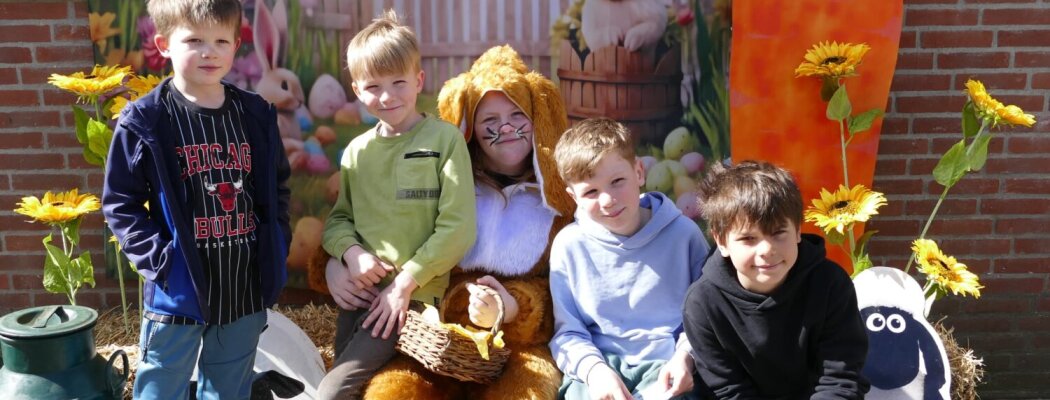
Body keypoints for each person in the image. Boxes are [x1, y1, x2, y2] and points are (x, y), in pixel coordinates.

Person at [319, 44, 577, 400]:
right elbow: (377, 224)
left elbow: (566, 297)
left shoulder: (561, 203)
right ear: (471, 125)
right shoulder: (450, 178)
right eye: (489, 120)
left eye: (517, 115)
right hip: (435, 339)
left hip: (517, 349)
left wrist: (514, 307)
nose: (504, 127)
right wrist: (336, 263)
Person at [102, 0, 291, 399]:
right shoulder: (146, 120)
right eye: (194, 40)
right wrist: (160, 261)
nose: (210, 51)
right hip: (179, 292)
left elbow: (277, 188)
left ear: (237, 44)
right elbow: (121, 202)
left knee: (228, 389)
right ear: (164, 43)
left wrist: (276, 241)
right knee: (161, 387)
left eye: (221, 40)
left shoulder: (254, 115)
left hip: (243, 288)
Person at [317, 10, 477, 399]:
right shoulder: (356, 152)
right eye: (373, 86)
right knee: (343, 383)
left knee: (331, 392)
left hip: (411, 300)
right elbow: (339, 222)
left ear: (418, 80)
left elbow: (458, 227)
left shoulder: (444, 141)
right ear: (356, 90)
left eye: (398, 82)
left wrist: (405, 284)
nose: (387, 96)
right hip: (363, 295)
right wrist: (351, 255)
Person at [549, 117, 710, 400]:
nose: (608, 200)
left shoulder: (684, 235)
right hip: (599, 367)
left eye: (617, 181)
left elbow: (705, 318)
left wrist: (686, 357)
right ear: (573, 196)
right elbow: (568, 333)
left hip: (668, 365)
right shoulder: (568, 246)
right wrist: (594, 371)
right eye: (591, 191)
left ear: (639, 172)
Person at [682, 160, 869, 399]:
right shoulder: (702, 305)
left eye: (779, 233)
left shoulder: (831, 285)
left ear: (798, 231)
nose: (767, 249)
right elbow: (730, 391)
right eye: (749, 238)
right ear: (721, 242)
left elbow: (840, 379)